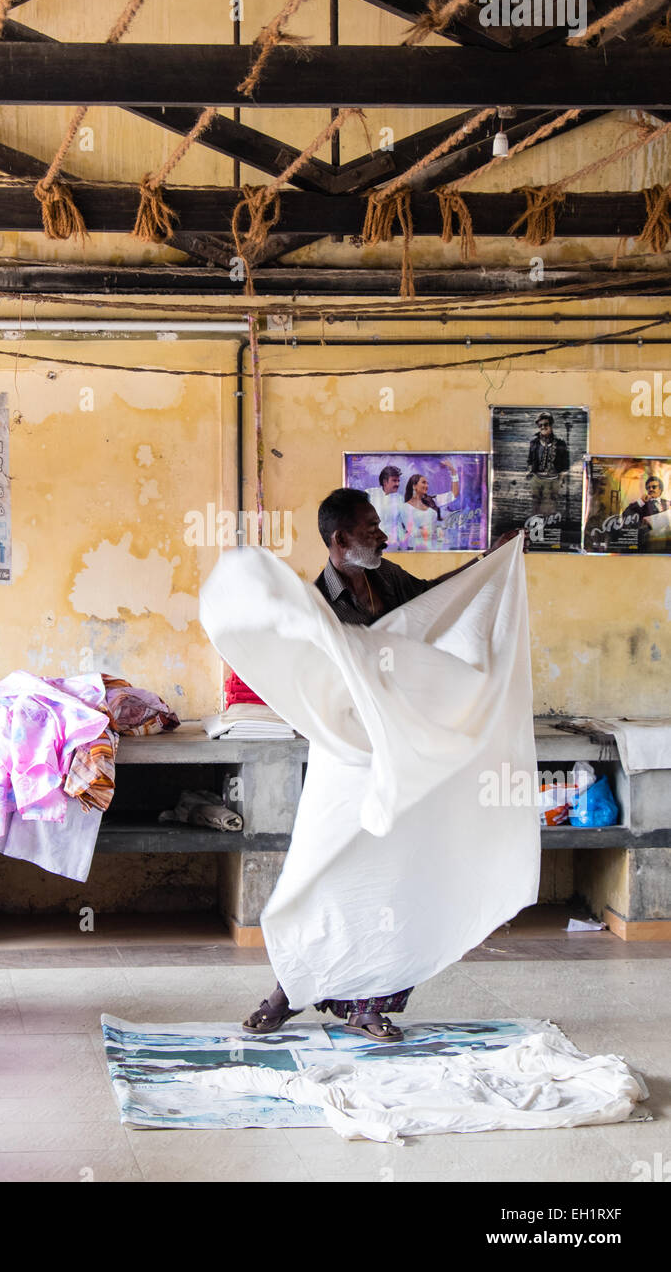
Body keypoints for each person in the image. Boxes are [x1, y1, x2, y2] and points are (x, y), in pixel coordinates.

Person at [243, 487, 522, 1041]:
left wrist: (487, 561)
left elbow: (440, 603)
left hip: (400, 747)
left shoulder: (389, 578)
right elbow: (305, 682)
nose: (383, 534)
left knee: (393, 876)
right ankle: (290, 989)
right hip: (345, 756)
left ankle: (372, 1004)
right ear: (339, 539)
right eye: (371, 527)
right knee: (322, 870)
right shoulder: (317, 603)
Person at [397, 461, 460, 551]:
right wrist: (436, 531)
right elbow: (413, 532)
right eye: (423, 482)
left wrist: (453, 472)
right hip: (419, 549)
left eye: (427, 483)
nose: (427, 485)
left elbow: (454, 494)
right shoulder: (405, 507)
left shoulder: (431, 500)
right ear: (414, 486)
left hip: (438, 547)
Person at [525, 413, 569, 518]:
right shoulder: (534, 443)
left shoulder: (560, 444)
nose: (543, 427)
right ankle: (535, 528)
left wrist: (561, 479)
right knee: (535, 506)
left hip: (553, 480)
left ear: (551, 425)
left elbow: (565, 464)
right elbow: (530, 460)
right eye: (540, 425)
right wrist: (529, 473)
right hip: (537, 479)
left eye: (546, 424)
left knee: (549, 507)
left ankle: (547, 529)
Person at [622, 474, 671, 552]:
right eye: (648, 488)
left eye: (654, 487)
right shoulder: (642, 504)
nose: (651, 489)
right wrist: (641, 501)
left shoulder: (668, 503)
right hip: (648, 543)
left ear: (660, 489)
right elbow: (626, 513)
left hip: (666, 543)